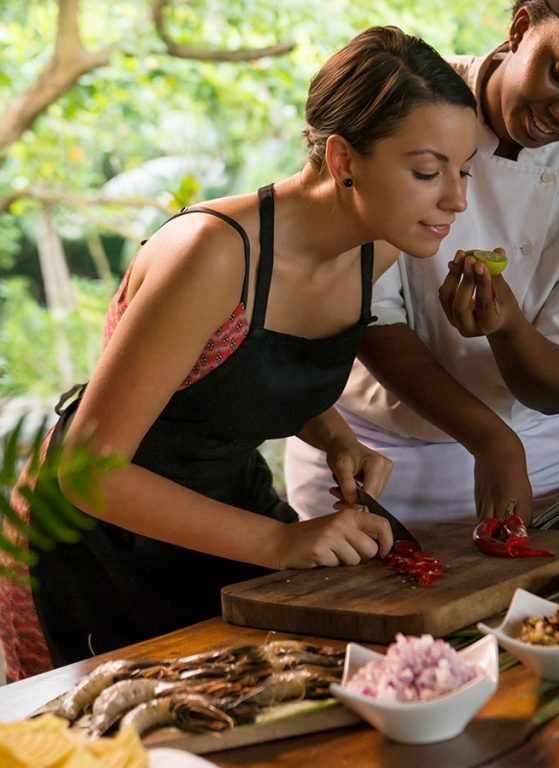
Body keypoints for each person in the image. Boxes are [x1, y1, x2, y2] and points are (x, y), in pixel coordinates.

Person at [0, 26, 477, 680]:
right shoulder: (215, 255)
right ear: (342, 161)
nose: (456, 199)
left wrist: (337, 437)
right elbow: (88, 472)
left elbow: (240, 378)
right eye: (428, 171)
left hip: (224, 503)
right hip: (96, 539)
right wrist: (280, 541)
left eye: (464, 170)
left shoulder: (377, 246)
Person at [284, 0, 559, 527]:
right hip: (372, 446)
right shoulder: (412, 96)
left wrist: (509, 328)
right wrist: (491, 442)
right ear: (520, 28)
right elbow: (365, 314)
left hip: (534, 437)